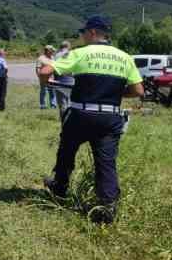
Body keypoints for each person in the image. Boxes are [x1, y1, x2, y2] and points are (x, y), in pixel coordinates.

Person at [38, 16, 144, 224]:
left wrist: (46, 82)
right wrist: (112, 94)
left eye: (84, 33)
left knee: (66, 151)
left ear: (93, 32)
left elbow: (45, 70)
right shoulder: (124, 57)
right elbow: (138, 90)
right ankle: (106, 209)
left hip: (80, 115)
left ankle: (59, 188)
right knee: (106, 163)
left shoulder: (80, 53)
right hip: (110, 116)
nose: (82, 36)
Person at [53, 41, 75, 119]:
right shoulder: (73, 54)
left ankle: (64, 118)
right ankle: (71, 118)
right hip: (72, 80)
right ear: (68, 46)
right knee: (71, 101)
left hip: (60, 80)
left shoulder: (56, 55)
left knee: (62, 102)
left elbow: (54, 69)